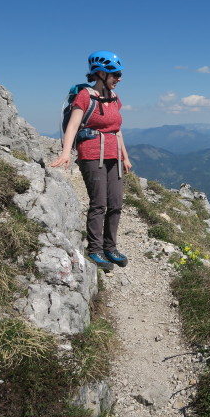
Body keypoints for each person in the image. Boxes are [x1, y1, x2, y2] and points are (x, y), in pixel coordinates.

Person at [51, 51, 132, 271]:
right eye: (115, 74)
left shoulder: (114, 98)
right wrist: (66, 153)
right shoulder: (85, 96)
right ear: (101, 73)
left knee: (116, 203)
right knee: (99, 203)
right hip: (92, 154)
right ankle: (95, 250)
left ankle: (110, 248)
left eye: (120, 74)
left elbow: (117, 130)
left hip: (114, 155)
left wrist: (125, 157)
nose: (119, 78)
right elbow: (72, 126)